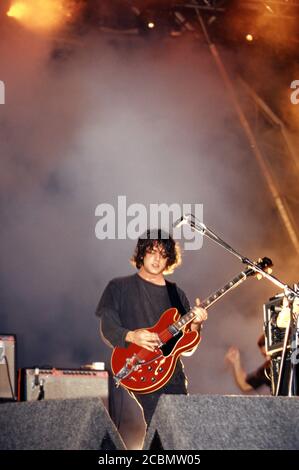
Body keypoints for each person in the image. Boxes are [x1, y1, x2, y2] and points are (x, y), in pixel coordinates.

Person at [96, 229, 208, 427]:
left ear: (169, 260)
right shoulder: (119, 287)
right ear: (141, 253)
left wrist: (196, 325)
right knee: (161, 422)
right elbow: (108, 327)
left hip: (172, 374)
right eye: (152, 251)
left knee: (179, 429)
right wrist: (132, 336)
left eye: (164, 255)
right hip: (138, 364)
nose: (158, 258)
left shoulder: (176, 294)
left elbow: (188, 347)